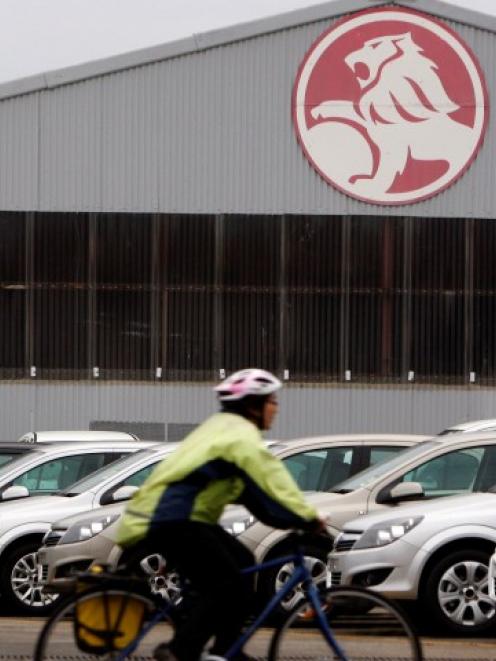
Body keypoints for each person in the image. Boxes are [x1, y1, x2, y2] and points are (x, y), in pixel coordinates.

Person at [116, 368, 324, 661]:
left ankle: (226, 648)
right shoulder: (240, 436)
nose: (276, 408)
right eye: (272, 401)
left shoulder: (221, 429)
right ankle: (180, 651)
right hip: (174, 519)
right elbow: (272, 477)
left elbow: (254, 497)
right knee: (228, 584)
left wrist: (289, 520)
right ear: (253, 406)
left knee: (243, 562)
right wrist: (309, 517)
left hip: (176, 518)